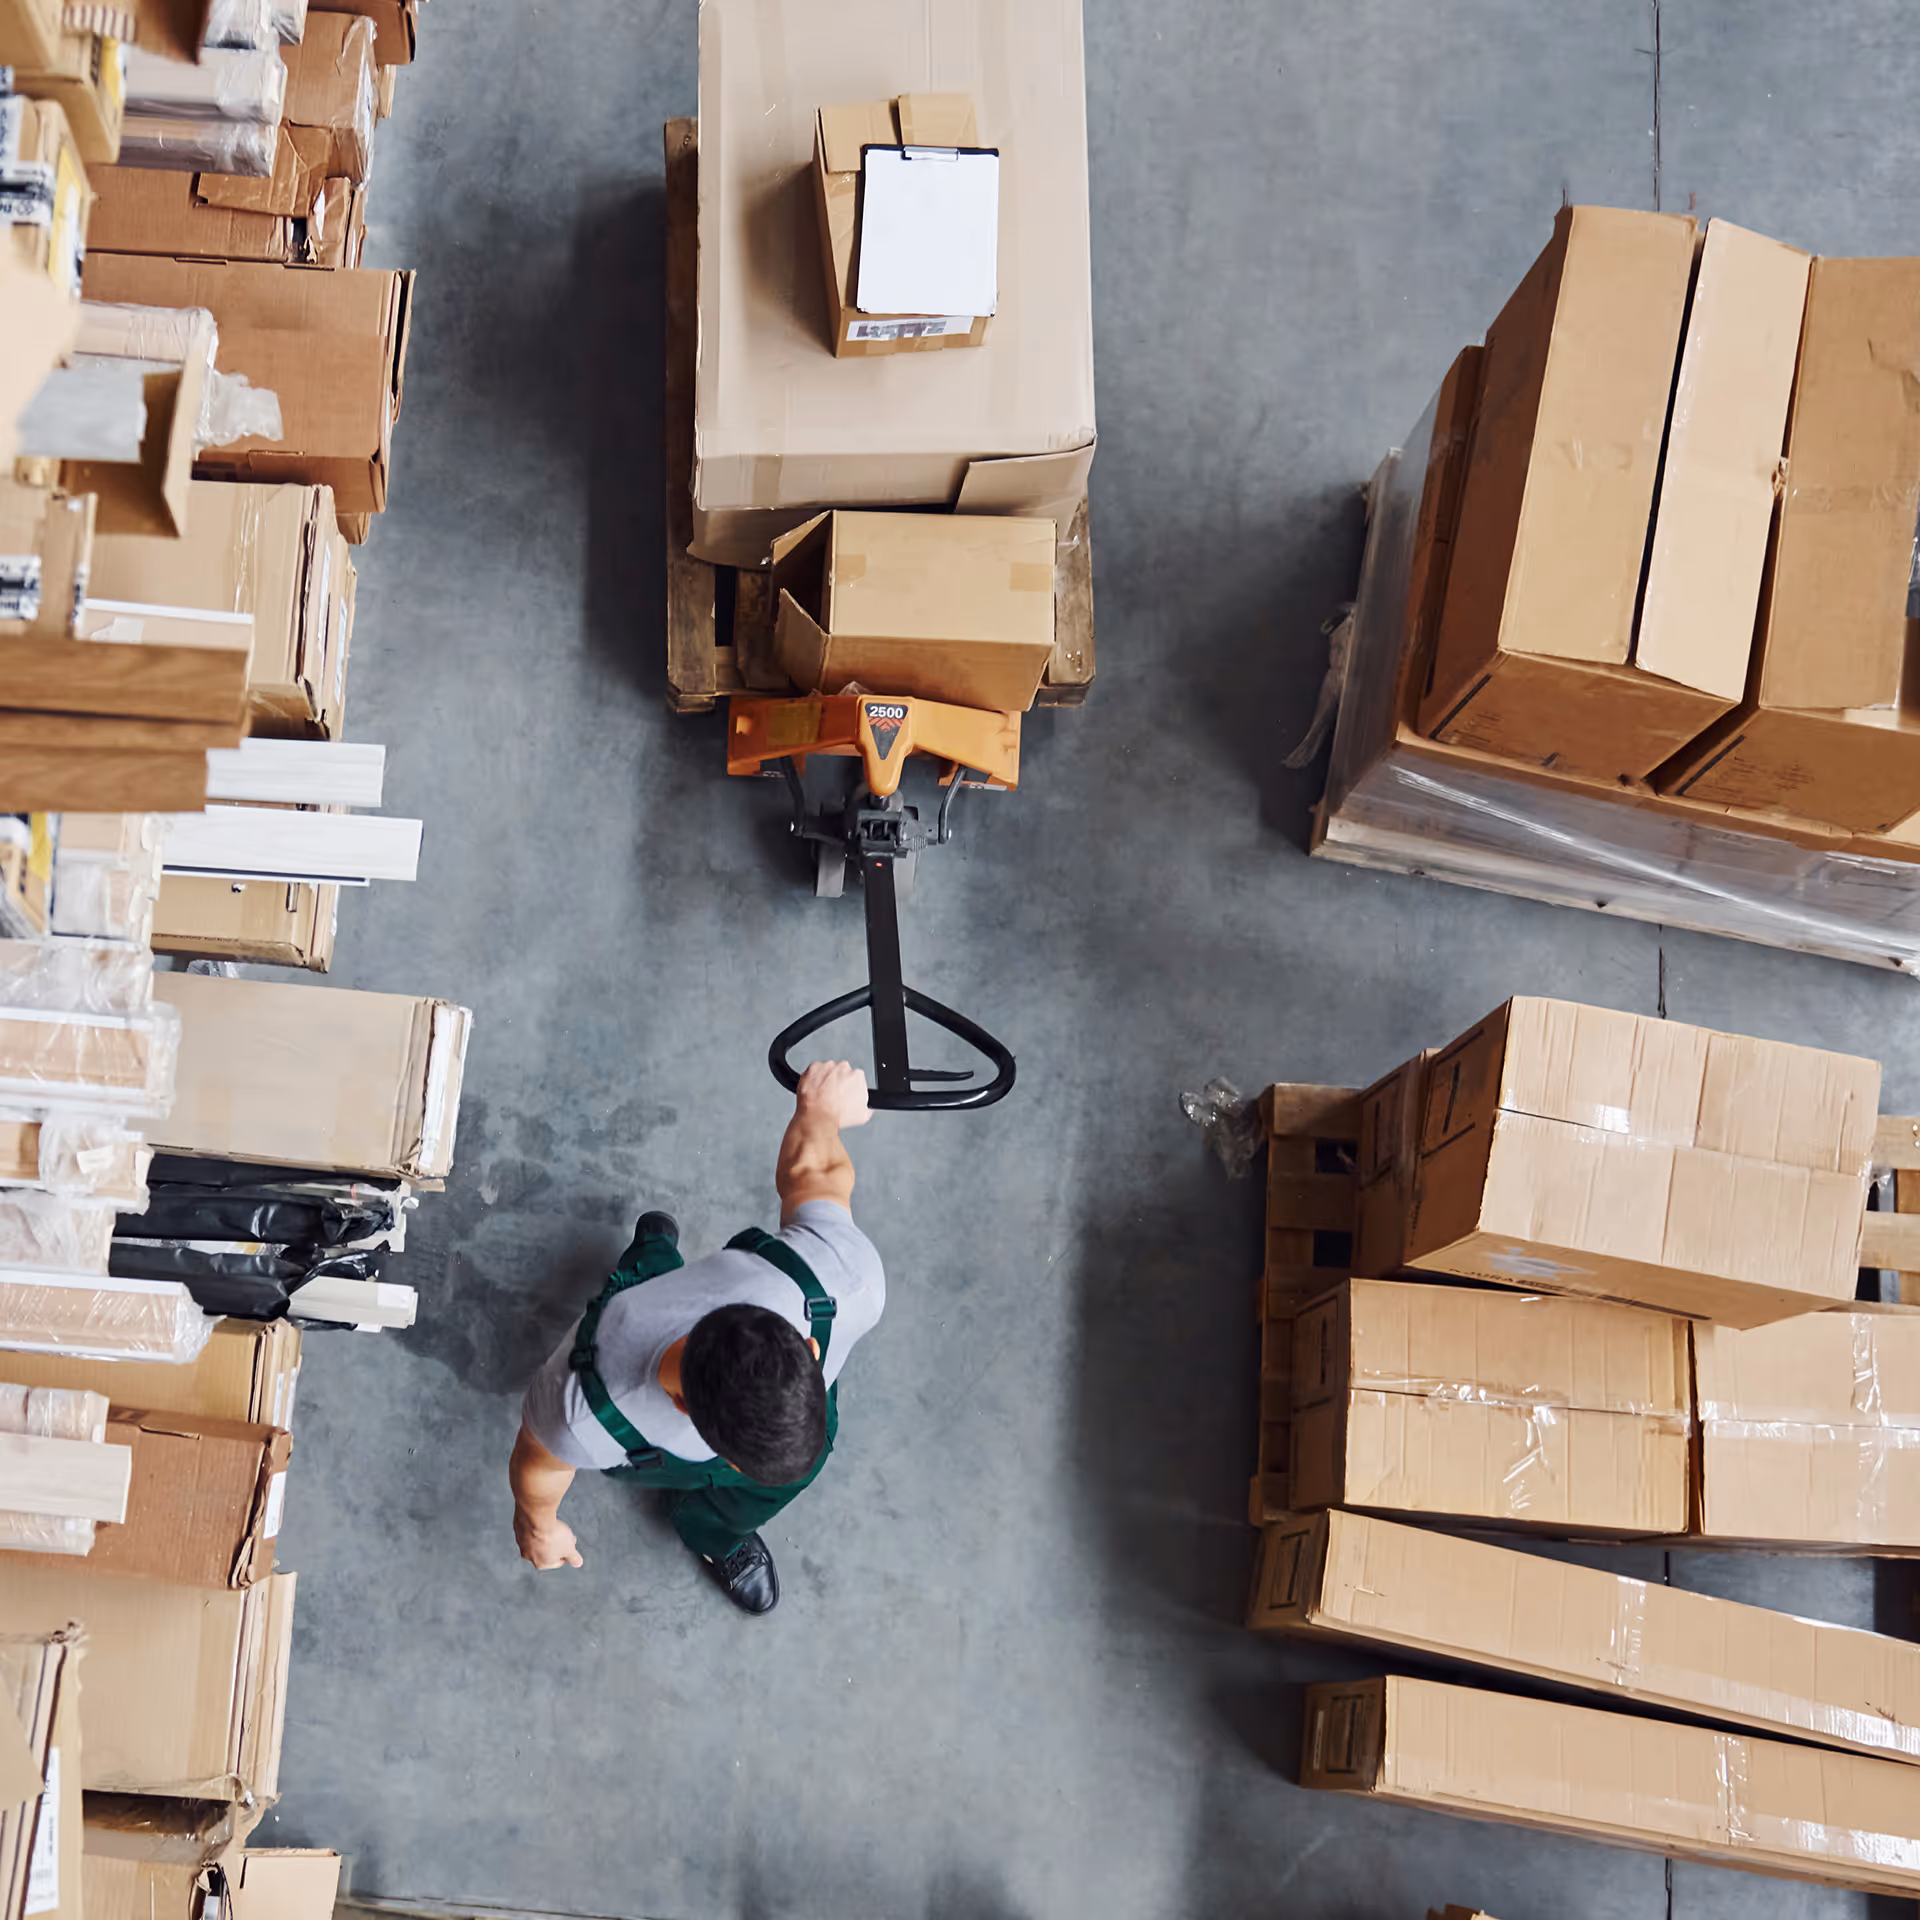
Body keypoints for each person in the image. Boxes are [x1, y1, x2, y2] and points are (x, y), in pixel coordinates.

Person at [509, 1060, 880, 1615]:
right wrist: (537, 1524)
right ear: (682, 1406)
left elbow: (815, 1175)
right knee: (638, 1279)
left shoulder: (844, 1279)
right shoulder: (582, 1410)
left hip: (672, 1318)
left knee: (657, 1268)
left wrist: (819, 1111)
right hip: (628, 1331)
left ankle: (653, 1246)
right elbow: (538, 1462)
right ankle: (649, 1250)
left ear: (807, 1347)